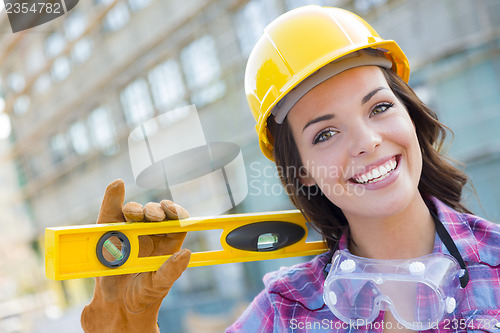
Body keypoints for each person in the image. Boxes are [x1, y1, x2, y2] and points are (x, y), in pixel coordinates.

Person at [81, 5, 500, 332]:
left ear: (410, 114)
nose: (368, 141)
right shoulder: (286, 310)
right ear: (301, 171)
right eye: (325, 134)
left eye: (380, 107)